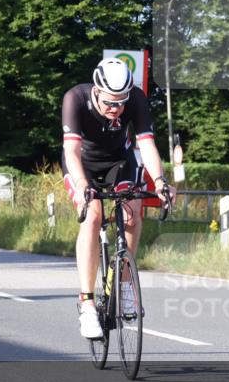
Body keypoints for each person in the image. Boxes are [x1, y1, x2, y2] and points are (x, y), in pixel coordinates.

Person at [61, 57, 174, 339]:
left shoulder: (136, 98)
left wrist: (159, 181)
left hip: (119, 162)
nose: (116, 109)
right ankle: (87, 303)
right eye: (110, 103)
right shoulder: (75, 98)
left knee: (132, 214)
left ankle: (124, 287)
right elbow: (71, 152)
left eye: (121, 103)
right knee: (93, 216)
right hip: (82, 165)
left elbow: (146, 144)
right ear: (96, 91)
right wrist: (83, 184)